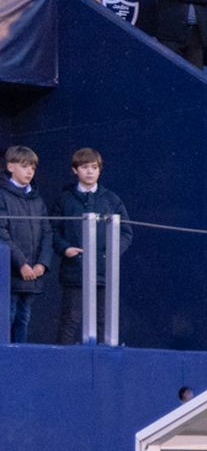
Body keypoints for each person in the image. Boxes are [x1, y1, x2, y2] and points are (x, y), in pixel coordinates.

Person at [52, 148, 132, 344]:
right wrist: (65, 249)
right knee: (70, 320)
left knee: (103, 321)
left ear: (100, 170)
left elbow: (126, 233)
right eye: (85, 167)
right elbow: (52, 231)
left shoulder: (112, 199)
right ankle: (65, 363)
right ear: (74, 170)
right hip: (75, 271)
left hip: (105, 273)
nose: (89, 171)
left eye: (94, 167)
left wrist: (112, 253)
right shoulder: (64, 199)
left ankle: (104, 366)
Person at [0, 146, 53, 343]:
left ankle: (19, 356)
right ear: (10, 166)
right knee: (8, 315)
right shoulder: (2, 195)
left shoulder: (37, 199)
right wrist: (21, 263)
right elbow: (2, 232)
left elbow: (47, 233)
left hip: (32, 274)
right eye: (24, 166)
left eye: (32, 167)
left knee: (24, 317)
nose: (29, 171)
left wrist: (42, 264)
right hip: (10, 273)